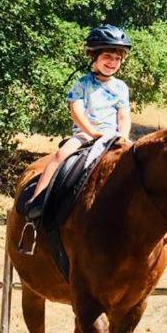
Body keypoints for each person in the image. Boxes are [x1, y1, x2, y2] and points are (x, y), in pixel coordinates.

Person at [29, 24, 132, 204]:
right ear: (94, 56)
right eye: (107, 56)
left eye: (117, 58)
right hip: (85, 135)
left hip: (113, 137)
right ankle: (38, 200)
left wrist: (123, 136)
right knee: (61, 155)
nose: (112, 62)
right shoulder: (82, 83)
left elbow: (123, 115)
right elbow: (76, 112)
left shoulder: (121, 87)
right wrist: (92, 133)